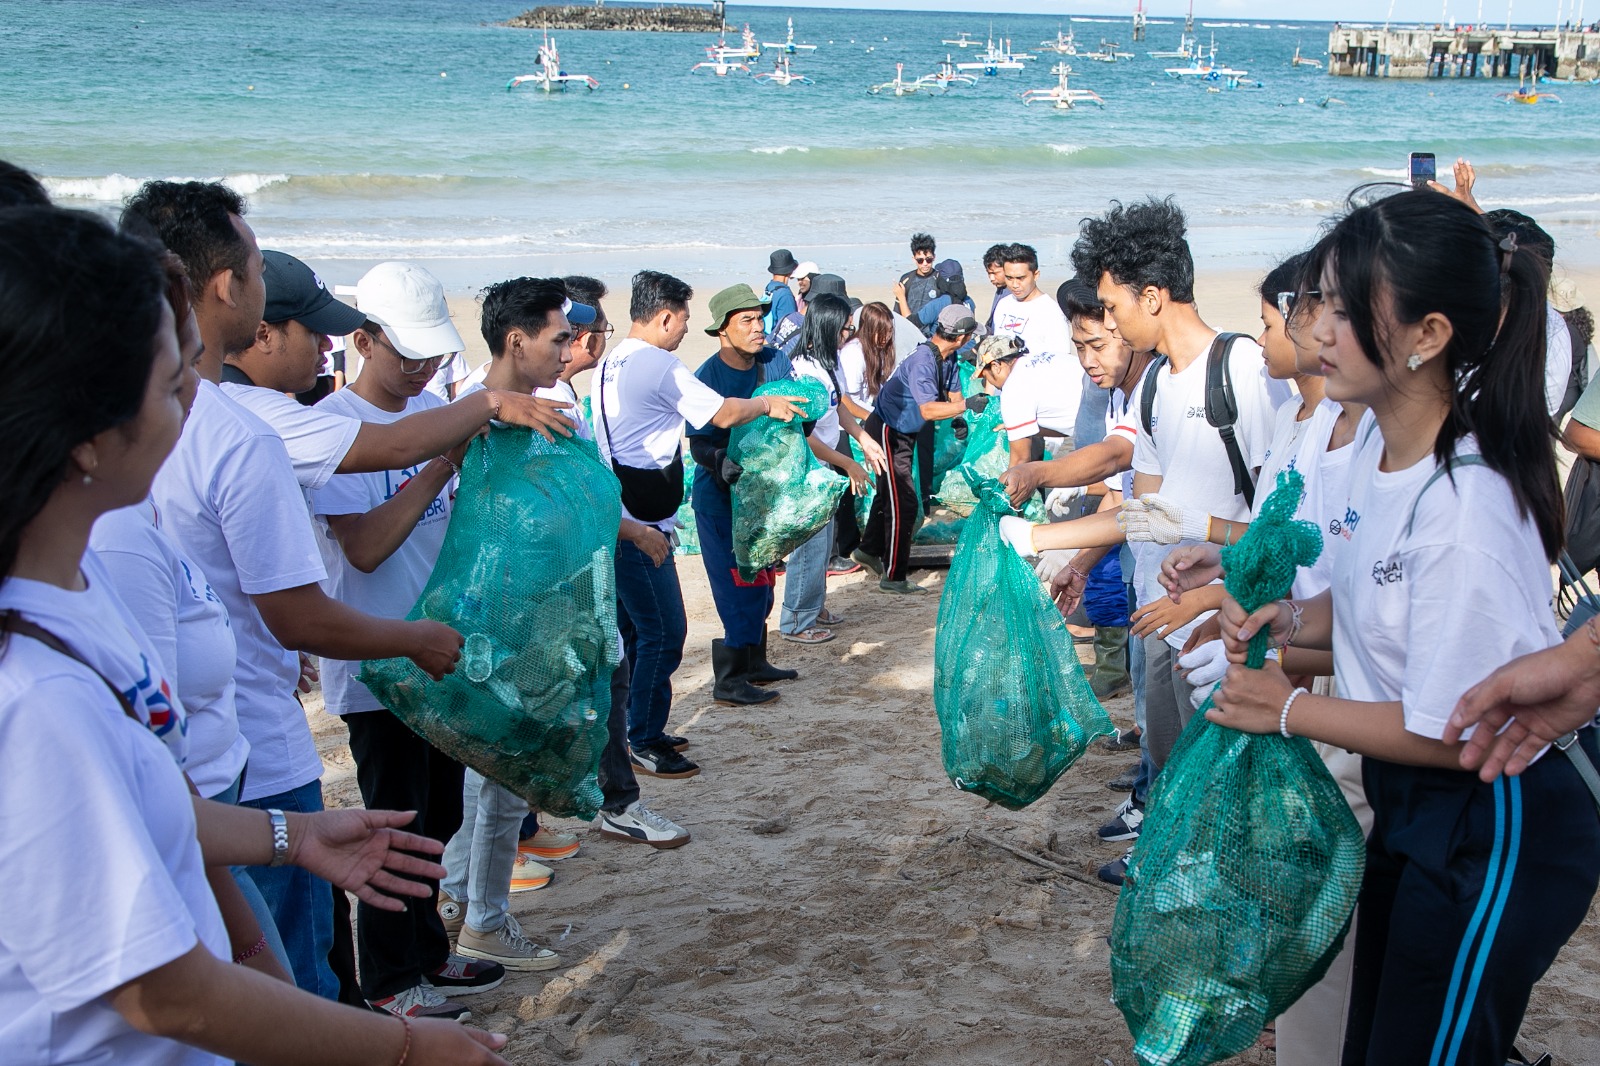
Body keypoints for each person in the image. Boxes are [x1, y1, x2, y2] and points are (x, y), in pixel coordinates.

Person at [0, 204, 511, 1065]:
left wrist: (293, 838)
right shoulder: (38, 687)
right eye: (170, 383)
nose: (192, 403)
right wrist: (405, 1051)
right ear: (84, 434)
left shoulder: (73, 593)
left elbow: (147, 805)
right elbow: (164, 993)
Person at [1208, 190, 1600, 1065]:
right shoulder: (1374, 453)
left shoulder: (1464, 505)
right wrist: (1288, 617)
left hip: (1490, 822)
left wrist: (1285, 708)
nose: (1319, 331)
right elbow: (1369, 601)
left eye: (1347, 311)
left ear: (1428, 335)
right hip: (1411, 807)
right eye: (1319, 303)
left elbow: (1453, 730)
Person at [126, 184, 478, 999]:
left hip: (199, 755)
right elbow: (298, 611)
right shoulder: (242, 432)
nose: (323, 345)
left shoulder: (158, 433)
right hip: (247, 751)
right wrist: (413, 640)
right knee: (292, 971)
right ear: (228, 289)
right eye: (257, 272)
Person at [997, 199, 1287, 884]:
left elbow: (1280, 523)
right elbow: (1143, 512)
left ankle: (1203, 880)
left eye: (1112, 305)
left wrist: (1221, 595)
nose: (1110, 320)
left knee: (1225, 776)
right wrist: (1046, 541)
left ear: (1151, 297)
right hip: (1161, 615)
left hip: (1224, 621)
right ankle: (1172, 866)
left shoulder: (1241, 371)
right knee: (1173, 760)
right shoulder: (1154, 383)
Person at [1156, 251, 1369, 1066]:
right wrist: (1234, 586)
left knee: (1320, 896)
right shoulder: (1309, 425)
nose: (1311, 332)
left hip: (1330, 702)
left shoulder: (1373, 440)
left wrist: (1284, 694)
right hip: (1304, 675)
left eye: (1279, 316)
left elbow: (1354, 604)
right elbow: (1320, 585)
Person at [310, 288, 480, 1016]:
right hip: (377, 663)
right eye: (407, 353)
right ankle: (389, 979)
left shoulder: (430, 412)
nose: (421, 368)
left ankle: (429, 954)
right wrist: (439, 466)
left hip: (439, 653)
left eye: (432, 354)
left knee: (439, 817)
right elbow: (367, 548)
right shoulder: (330, 429)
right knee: (392, 823)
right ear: (364, 340)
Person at [431, 277, 588, 975]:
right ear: (516, 341)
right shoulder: (470, 416)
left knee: (489, 779)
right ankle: (484, 922)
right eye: (559, 338)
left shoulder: (532, 408)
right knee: (498, 777)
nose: (569, 351)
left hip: (523, 616)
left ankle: (460, 899)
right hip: (489, 622)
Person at [592, 271, 803, 779]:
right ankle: (644, 740)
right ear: (666, 316)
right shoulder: (658, 363)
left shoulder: (612, 360)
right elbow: (721, 415)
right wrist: (767, 404)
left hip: (620, 512)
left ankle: (638, 727)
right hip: (638, 526)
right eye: (684, 319)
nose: (686, 330)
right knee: (664, 633)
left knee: (635, 634)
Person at [687, 283, 801, 705]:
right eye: (747, 320)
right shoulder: (708, 376)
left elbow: (798, 411)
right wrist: (719, 460)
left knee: (764, 584)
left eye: (760, 318)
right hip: (721, 502)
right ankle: (729, 680)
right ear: (722, 330)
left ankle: (755, 662)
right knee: (737, 587)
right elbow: (697, 443)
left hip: (764, 498)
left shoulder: (774, 360)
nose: (759, 328)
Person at [854, 305, 980, 594]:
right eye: (971, 335)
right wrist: (965, 406)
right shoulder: (924, 360)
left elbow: (954, 394)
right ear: (961, 337)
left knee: (890, 495)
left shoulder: (948, 357)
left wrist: (959, 417)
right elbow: (928, 409)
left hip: (904, 431)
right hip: (887, 429)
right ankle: (894, 577)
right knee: (905, 503)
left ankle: (867, 551)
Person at [779, 293, 881, 643]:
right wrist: (848, 463)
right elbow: (804, 437)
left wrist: (862, 437)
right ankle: (796, 621)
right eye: (845, 329)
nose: (849, 336)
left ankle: (814, 606)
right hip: (805, 467)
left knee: (824, 542)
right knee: (808, 546)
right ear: (826, 328)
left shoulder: (829, 361)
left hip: (823, 464)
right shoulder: (806, 371)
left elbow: (838, 407)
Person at [991, 243, 1081, 466]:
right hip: (1008, 403)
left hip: (1038, 412)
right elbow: (994, 356)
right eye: (1009, 278)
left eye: (1021, 278)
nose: (1015, 284)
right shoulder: (1003, 306)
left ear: (1036, 274)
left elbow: (1059, 366)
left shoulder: (1050, 312)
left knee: (1029, 470)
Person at [831, 300, 899, 573]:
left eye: (890, 331)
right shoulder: (854, 354)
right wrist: (875, 418)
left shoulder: (880, 352)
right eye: (881, 332)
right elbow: (845, 402)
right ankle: (845, 548)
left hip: (867, 422)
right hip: (845, 428)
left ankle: (868, 543)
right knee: (848, 488)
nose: (886, 337)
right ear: (867, 329)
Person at [894, 232, 941, 325]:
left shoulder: (939, 279)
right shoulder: (906, 279)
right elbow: (897, 311)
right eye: (920, 260)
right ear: (914, 259)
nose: (925, 264)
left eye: (929, 259)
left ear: (934, 257)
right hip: (909, 327)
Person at [763, 248, 799, 337]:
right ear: (790, 271)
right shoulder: (785, 295)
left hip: (767, 336)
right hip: (776, 341)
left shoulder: (769, 287)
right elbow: (789, 328)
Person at [981, 243, 1010, 333]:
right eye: (989, 273)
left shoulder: (1014, 293)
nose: (991, 278)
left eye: (995, 273)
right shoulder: (1001, 289)